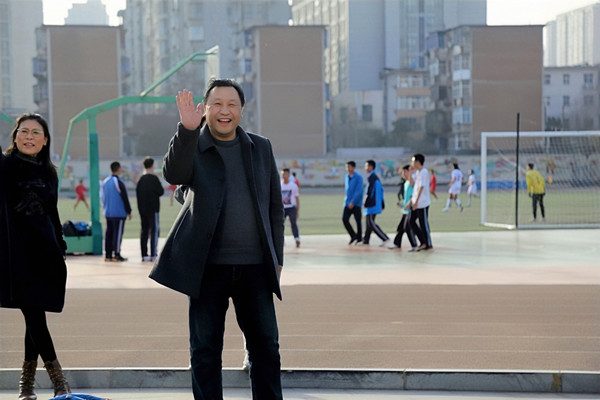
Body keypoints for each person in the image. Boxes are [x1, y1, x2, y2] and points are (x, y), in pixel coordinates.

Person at [149, 79, 285, 400]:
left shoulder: (261, 147)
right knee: (205, 351)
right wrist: (187, 129)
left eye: (232, 104)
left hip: (255, 268)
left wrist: (277, 259)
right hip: (207, 269)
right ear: (206, 109)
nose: (225, 110)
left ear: (241, 110)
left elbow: (275, 208)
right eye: (217, 104)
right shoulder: (193, 144)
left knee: (266, 349)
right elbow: (174, 175)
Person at [0, 113, 72, 399]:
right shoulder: (5, 166)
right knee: (34, 315)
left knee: (35, 315)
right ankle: (59, 381)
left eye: (35, 133)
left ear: (45, 141)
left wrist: (61, 245)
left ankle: (27, 385)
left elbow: (52, 213)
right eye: (24, 131)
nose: (29, 137)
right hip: (16, 255)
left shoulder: (48, 172)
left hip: (46, 254)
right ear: (15, 136)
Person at [136, 157, 164, 262]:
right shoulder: (154, 179)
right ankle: (153, 253)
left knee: (144, 231)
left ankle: (144, 255)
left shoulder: (140, 180)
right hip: (153, 209)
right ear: (152, 166)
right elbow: (161, 191)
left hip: (142, 209)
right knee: (154, 230)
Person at [103, 161, 132, 262]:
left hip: (108, 212)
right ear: (118, 169)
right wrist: (129, 211)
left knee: (109, 234)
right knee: (117, 234)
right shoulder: (119, 182)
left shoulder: (106, 181)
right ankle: (117, 254)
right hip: (118, 212)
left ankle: (108, 255)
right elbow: (124, 197)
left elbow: (103, 197)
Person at [361, 159, 391, 246]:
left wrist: (366, 202)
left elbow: (370, 192)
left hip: (372, 204)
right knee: (368, 223)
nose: (365, 168)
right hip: (374, 203)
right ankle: (366, 240)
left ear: (371, 167)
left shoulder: (372, 178)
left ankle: (385, 238)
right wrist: (382, 203)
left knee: (371, 223)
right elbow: (381, 191)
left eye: (367, 166)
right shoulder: (373, 177)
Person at [389, 165, 418, 251]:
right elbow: (406, 197)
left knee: (407, 227)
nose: (403, 174)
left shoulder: (411, 181)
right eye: (402, 172)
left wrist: (410, 203)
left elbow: (414, 195)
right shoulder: (406, 183)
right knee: (400, 227)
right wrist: (402, 204)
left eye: (405, 172)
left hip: (411, 209)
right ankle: (397, 244)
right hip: (405, 209)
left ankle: (414, 245)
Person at [409, 153, 433, 251]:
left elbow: (421, 187)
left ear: (418, 162)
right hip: (416, 202)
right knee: (411, 221)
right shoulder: (417, 173)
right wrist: (410, 172)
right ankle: (422, 241)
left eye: (413, 161)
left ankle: (428, 244)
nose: (412, 163)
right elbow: (411, 183)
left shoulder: (424, 172)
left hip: (422, 203)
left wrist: (416, 202)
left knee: (423, 224)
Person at [342, 160, 363, 245]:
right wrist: (348, 201)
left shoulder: (358, 177)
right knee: (344, 219)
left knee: (358, 221)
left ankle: (359, 238)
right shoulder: (347, 176)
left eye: (349, 167)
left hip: (356, 203)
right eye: (346, 167)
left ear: (353, 167)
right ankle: (353, 236)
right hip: (347, 202)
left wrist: (353, 202)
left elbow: (359, 191)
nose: (347, 169)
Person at [281, 167, 301, 248]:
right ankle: (281, 240)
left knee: (293, 223)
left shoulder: (293, 186)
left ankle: (297, 238)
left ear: (289, 175)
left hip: (292, 207)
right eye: (282, 174)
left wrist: (297, 210)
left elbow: (297, 198)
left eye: (285, 174)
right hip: (282, 208)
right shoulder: (279, 185)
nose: (284, 176)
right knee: (280, 224)